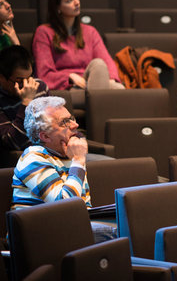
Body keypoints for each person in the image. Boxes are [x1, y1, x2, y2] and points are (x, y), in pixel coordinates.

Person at [11, 96, 116, 242]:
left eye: (71, 118)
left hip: (70, 225)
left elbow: (82, 207)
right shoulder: (32, 157)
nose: (75, 124)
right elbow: (65, 206)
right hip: (35, 234)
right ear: (45, 136)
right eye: (65, 122)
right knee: (119, 232)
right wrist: (78, 161)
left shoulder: (69, 155)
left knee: (131, 222)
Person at [32, 0, 124, 91]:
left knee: (114, 83)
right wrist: (69, 76)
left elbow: (107, 62)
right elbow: (44, 74)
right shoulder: (43, 32)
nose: (77, 2)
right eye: (69, 0)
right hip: (66, 88)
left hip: (91, 83)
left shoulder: (90, 31)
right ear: (58, 7)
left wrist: (110, 80)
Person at [0, 45, 48, 152]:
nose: (27, 85)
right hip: (29, 158)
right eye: (20, 81)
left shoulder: (40, 86)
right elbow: (12, 141)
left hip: (56, 150)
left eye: (30, 77)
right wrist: (27, 102)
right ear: (2, 78)